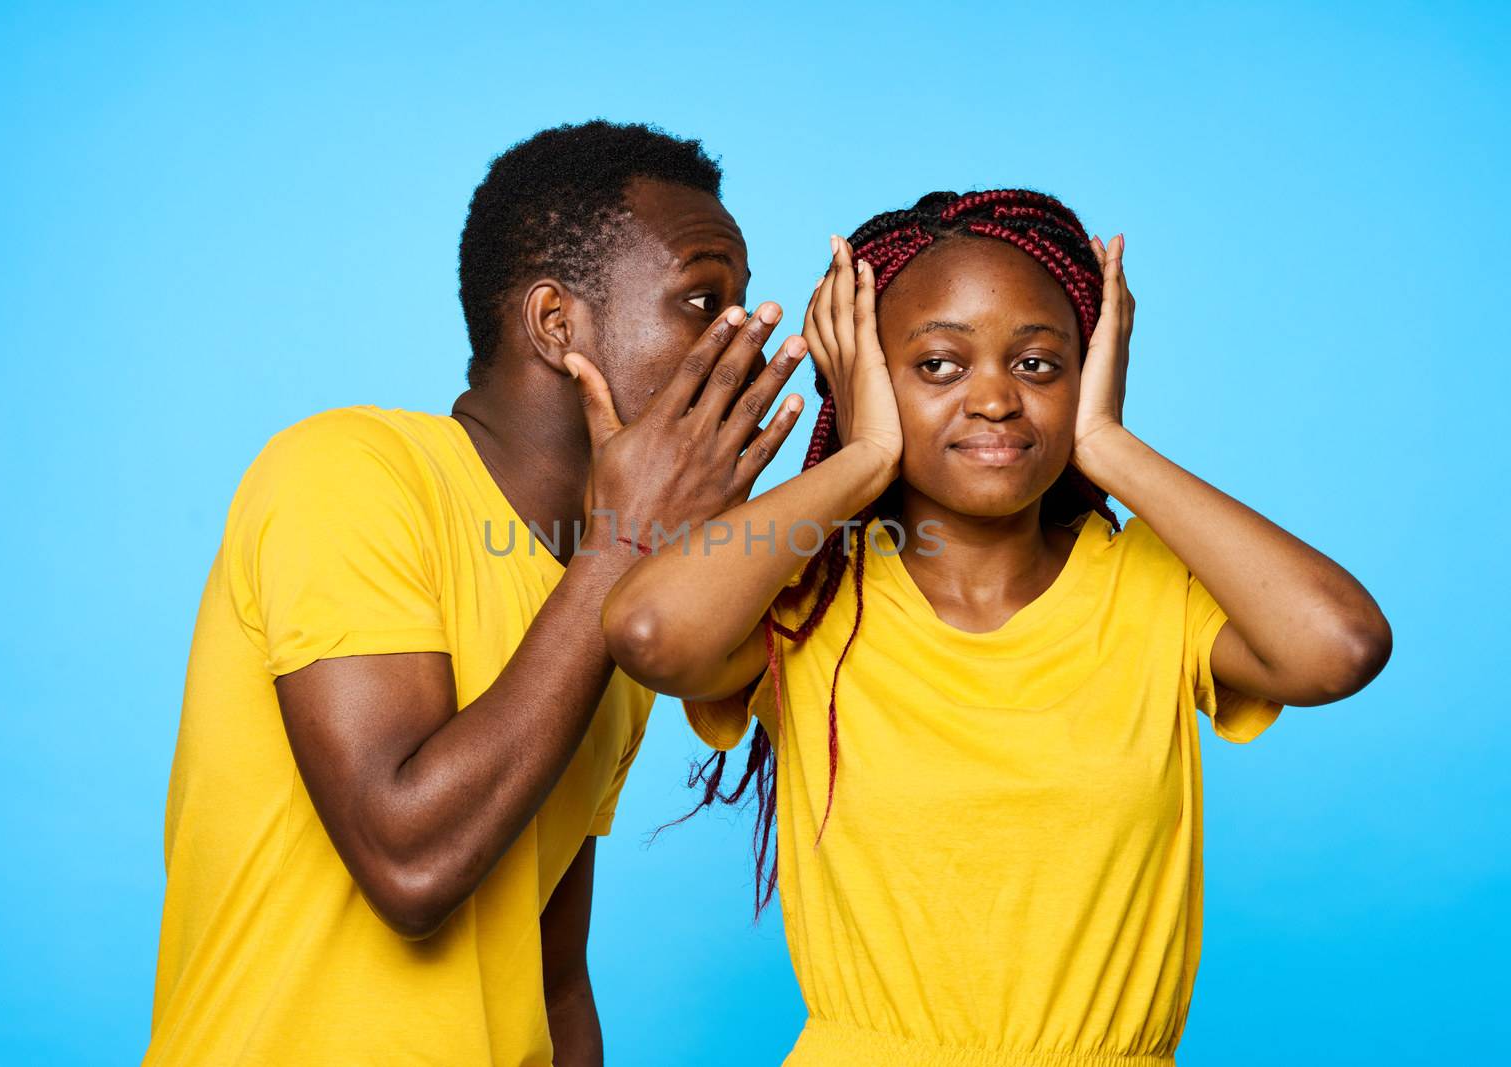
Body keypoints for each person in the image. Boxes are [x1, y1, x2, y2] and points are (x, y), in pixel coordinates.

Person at [602, 189, 1392, 1066]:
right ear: (865, 377)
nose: (994, 400)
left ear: (1091, 370)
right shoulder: (810, 601)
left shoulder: (1152, 590)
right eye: (939, 364)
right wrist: (863, 458)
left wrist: (1109, 445)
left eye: (1039, 365)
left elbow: (1340, 645)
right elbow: (646, 630)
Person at [144, 120, 808, 1066]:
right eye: (703, 300)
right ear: (554, 324)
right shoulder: (346, 473)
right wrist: (624, 543)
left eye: (742, 303)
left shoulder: (612, 592)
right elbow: (410, 863)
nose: (742, 336)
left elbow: (553, 969)